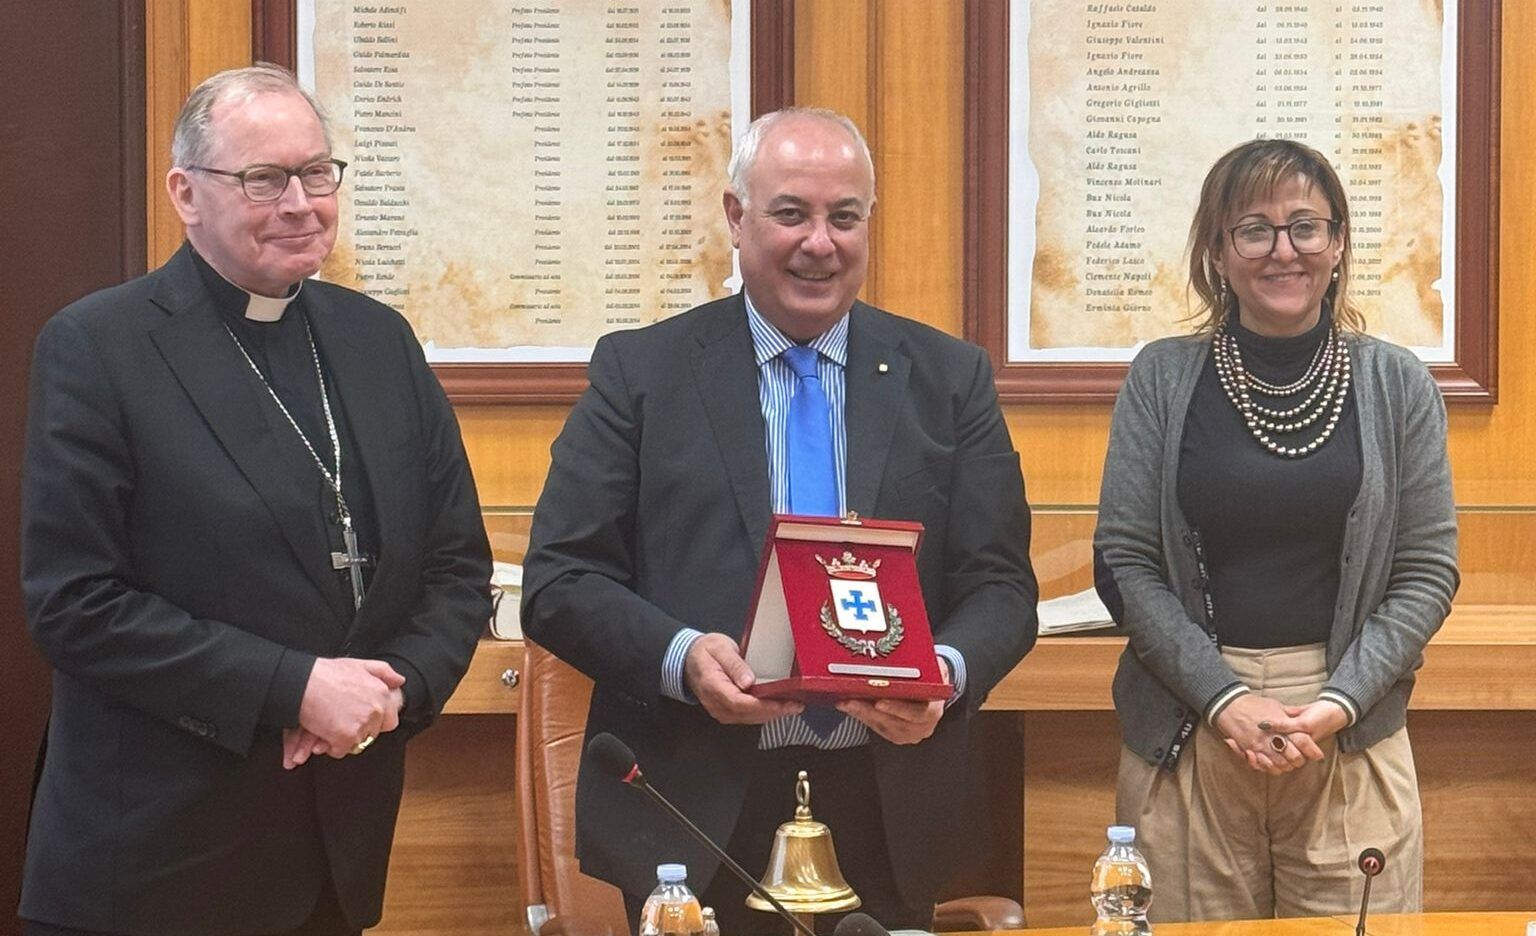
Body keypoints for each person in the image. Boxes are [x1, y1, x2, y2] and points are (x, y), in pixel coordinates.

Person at [522, 108, 1038, 935]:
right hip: (692, 801)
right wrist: (683, 658)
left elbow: (1003, 586)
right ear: (735, 217)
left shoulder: (949, 378)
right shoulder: (641, 373)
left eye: (844, 217)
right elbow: (559, 579)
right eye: (790, 213)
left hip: (889, 799)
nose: (819, 243)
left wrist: (938, 673)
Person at [19, 64, 492, 936]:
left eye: (317, 173)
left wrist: (393, 692)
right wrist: (294, 687)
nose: (301, 202)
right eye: (263, 179)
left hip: (333, 853)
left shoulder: (377, 341)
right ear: (185, 193)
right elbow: (75, 604)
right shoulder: (99, 347)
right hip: (155, 864)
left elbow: (456, 567)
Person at [1093, 138, 1459, 921]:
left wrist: (1340, 702)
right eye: (1253, 229)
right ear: (1217, 254)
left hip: (1347, 731)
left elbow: (1427, 569)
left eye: (1305, 226)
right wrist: (1223, 697)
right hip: (1190, 726)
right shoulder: (1160, 376)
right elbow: (1123, 561)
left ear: (1337, 245)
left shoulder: (1398, 384)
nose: (1282, 249)